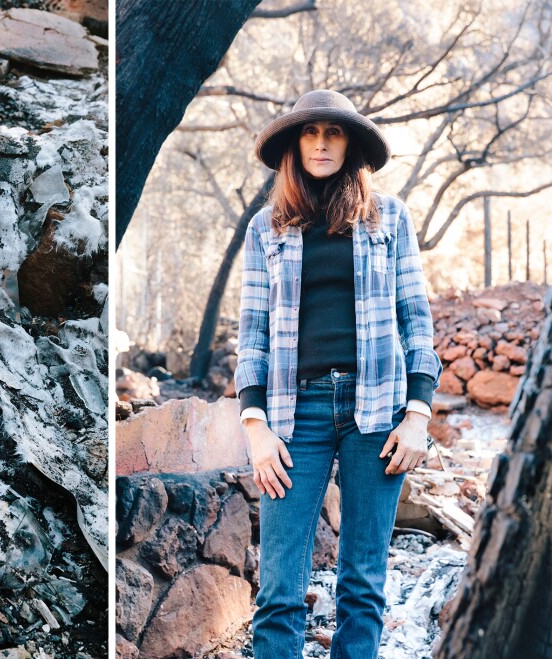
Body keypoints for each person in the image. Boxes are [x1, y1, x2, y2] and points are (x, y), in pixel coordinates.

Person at [234, 89, 443, 659]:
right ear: (294, 145)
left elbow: (416, 320)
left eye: (334, 132)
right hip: (292, 413)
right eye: (310, 132)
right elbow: (252, 334)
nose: (321, 144)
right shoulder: (265, 228)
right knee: (279, 590)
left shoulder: (390, 218)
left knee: (363, 584)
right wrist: (255, 427)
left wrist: (418, 415)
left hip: (377, 412)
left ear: (351, 145)